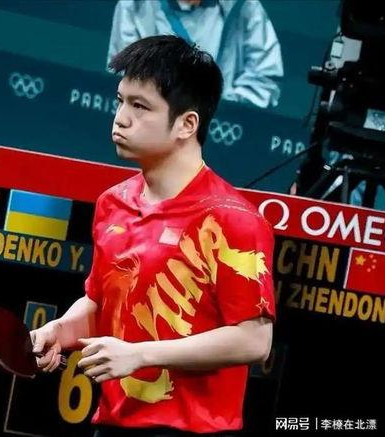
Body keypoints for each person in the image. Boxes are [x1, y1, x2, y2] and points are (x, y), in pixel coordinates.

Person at [30, 35, 276, 436]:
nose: (120, 118)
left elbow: (254, 341)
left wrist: (141, 355)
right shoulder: (113, 203)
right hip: (112, 423)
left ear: (187, 124)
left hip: (192, 432)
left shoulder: (233, 220)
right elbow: (101, 303)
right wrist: (61, 330)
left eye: (140, 106)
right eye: (121, 101)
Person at [106, 0, 284, 109]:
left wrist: (217, 109)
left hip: (221, 133)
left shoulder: (245, 7)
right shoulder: (134, 6)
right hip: (151, 127)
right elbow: (125, 75)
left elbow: (265, 81)